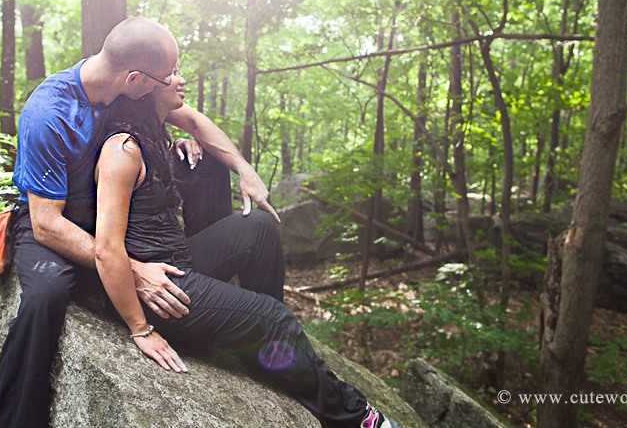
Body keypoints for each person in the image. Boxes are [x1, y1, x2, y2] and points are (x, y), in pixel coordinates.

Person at [0, 17, 281, 428]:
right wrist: (132, 269)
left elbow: (194, 121)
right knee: (46, 295)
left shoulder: (127, 91)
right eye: (164, 78)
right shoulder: (49, 112)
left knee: (199, 167)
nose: (170, 84)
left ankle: (238, 325)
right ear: (134, 77)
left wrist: (242, 169)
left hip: (106, 213)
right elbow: (45, 224)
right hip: (50, 217)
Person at [93, 71, 403, 428]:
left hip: (178, 260)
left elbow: (195, 121)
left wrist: (244, 170)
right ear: (145, 85)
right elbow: (106, 248)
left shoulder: (152, 125)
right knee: (273, 318)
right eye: (171, 72)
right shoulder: (123, 150)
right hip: (159, 290)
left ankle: (267, 345)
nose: (181, 78)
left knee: (259, 227)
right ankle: (357, 418)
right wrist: (140, 329)